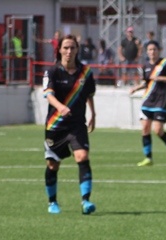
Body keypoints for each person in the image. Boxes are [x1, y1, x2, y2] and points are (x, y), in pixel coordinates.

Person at [42, 35, 97, 215]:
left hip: (77, 124)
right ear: (59, 50)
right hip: (56, 125)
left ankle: (86, 201)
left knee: (82, 157)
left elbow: (89, 94)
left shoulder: (85, 72)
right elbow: (48, 94)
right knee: (53, 165)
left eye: (72, 48)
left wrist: (93, 113)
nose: (69, 51)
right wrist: (60, 107)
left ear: (77, 50)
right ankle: (52, 202)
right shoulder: (52, 72)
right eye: (65, 48)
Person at [130, 41, 166, 166]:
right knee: (145, 128)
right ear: (147, 52)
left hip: (160, 101)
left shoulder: (165, 64)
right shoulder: (145, 66)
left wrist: (161, 78)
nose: (152, 52)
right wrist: (136, 88)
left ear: (159, 50)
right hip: (147, 100)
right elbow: (147, 83)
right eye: (150, 50)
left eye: (154, 49)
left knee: (158, 130)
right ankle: (148, 158)